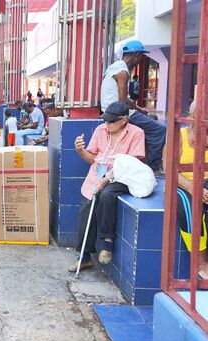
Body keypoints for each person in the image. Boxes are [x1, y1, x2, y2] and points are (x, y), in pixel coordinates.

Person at [69, 102, 145, 272]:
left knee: (106, 195)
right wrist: (80, 150)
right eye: (106, 121)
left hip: (122, 176)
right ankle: (84, 256)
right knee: (86, 209)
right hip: (97, 175)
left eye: (111, 122)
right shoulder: (100, 131)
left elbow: (133, 163)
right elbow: (91, 159)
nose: (107, 124)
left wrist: (106, 179)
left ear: (124, 120)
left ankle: (107, 242)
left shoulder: (136, 133)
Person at [100, 40, 166, 172]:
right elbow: (122, 101)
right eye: (141, 56)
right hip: (118, 113)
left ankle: (146, 161)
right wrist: (137, 112)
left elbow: (124, 99)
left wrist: (140, 110)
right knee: (159, 130)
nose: (142, 59)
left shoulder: (114, 67)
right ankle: (153, 168)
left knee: (152, 118)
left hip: (111, 110)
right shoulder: (122, 72)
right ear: (136, 55)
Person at [174, 101, 208, 278]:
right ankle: (200, 263)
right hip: (183, 184)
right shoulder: (180, 136)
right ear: (193, 117)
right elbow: (170, 171)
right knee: (189, 206)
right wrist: (195, 189)